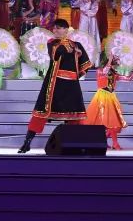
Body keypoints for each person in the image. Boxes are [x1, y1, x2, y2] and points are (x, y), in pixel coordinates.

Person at [17, 19, 91, 153]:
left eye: (58, 28)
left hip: (71, 85)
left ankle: (76, 145)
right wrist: (72, 50)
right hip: (54, 83)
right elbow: (55, 55)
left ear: (66, 30)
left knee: (74, 115)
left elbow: (85, 64)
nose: (55, 30)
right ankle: (27, 143)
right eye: (54, 28)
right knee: (41, 112)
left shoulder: (77, 45)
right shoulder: (52, 43)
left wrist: (78, 55)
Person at [85, 55, 133, 150]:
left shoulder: (114, 74)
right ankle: (114, 143)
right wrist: (109, 61)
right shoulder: (100, 71)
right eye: (115, 63)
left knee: (112, 121)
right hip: (102, 97)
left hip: (111, 96)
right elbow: (105, 71)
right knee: (109, 121)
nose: (117, 65)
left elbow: (128, 79)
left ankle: (105, 142)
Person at [77, 0, 101, 65]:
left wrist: (86, 11)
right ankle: (83, 61)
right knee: (83, 38)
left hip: (93, 22)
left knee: (93, 38)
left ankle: (94, 61)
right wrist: (87, 10)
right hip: (83, 22)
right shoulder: (81, 1)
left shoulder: (95, 2)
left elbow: (93, 12)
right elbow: (81, 8)